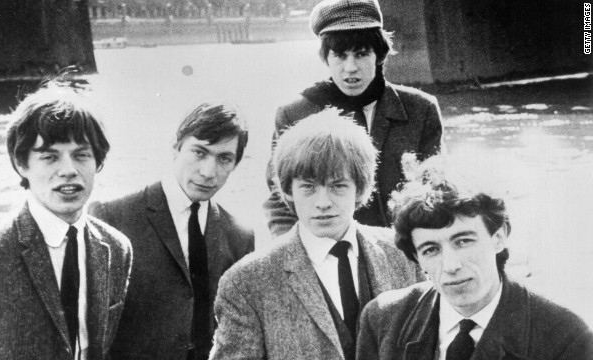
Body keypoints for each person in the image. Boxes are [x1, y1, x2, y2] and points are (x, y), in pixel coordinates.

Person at [210, 109, 423, 360]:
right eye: (308, 187)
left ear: (360, 187)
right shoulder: (245, 282)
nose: (323, 202)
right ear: (288, 190)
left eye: (338, 186)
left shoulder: (405, 254)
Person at [0, 83, 133, 360]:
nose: (69, 171)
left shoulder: (116, 248)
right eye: (50, 157)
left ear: (97, 161)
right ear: (21, 163)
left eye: (81, 155)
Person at [357, 157, 593, 360]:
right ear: (416, 257)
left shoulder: (565, 336)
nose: (450, 266)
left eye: (463, 242)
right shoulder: (383, 319)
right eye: (431, 249)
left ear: (498, 237)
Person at [89, 102, 254, 360]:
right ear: (175, 148)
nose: (208, 172)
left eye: (224, 158)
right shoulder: (111, 218)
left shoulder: (239, 236)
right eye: (199, 152)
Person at [264, 0, 443, 236]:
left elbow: (435, 193)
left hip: (400, 249)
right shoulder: (294, 114)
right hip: (324, 252)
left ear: (380, 55)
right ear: (325, 58)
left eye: (361, 54)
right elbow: (280, 201)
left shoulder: (421, 110)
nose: (350, 68)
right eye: (339, 55)